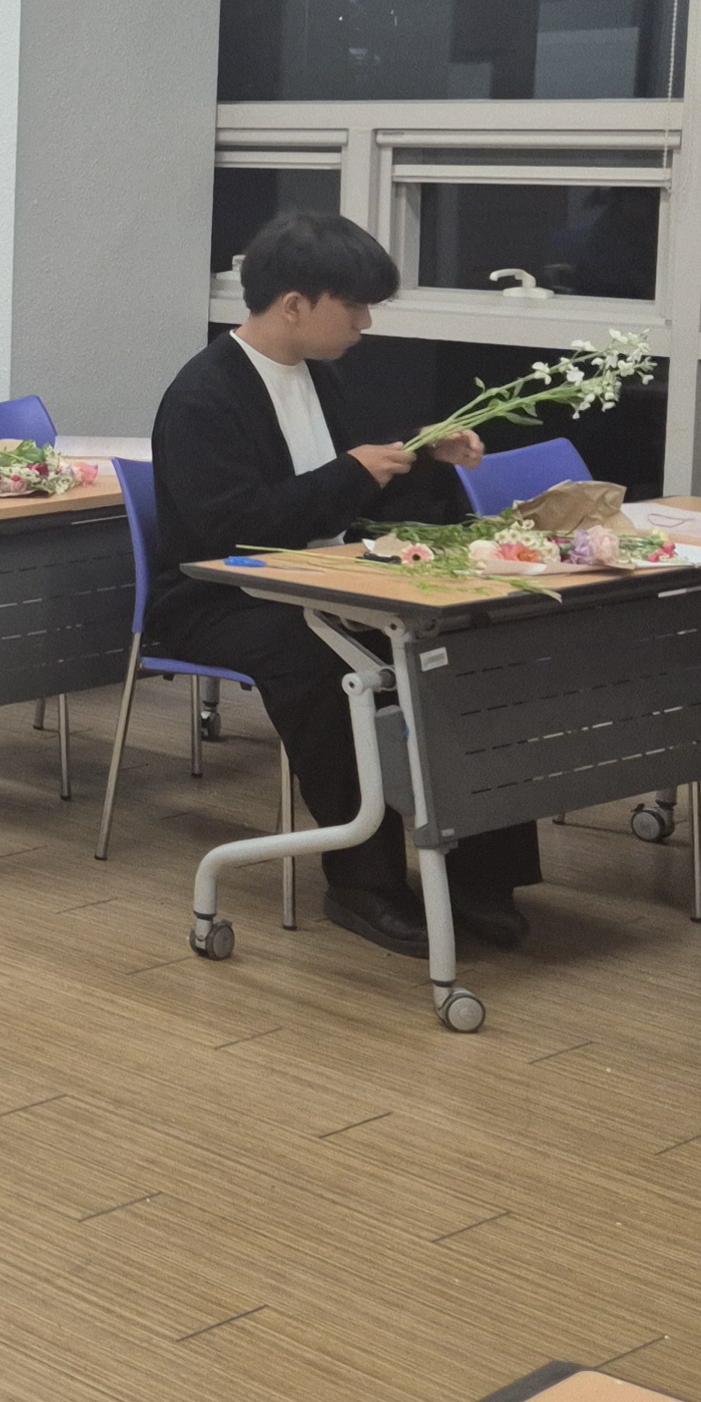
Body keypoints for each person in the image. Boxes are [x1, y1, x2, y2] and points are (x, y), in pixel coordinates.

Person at [146, 209, 538, 958]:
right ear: (295, 304)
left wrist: (421, 457)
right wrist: (352, 473)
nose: (364, 322)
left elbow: (344, 498)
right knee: (329, 665)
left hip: (319, 581)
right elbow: (230, 532)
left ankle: (481, 873)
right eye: (353, 305)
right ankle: (363, 883)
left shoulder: (321, 377)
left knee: (466, 643)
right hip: (220, 597)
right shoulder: (203, 395)